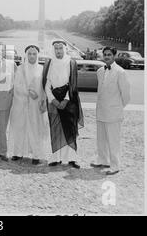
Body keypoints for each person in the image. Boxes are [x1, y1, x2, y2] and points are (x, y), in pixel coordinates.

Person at [42, 40, 83, 169]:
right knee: (56, 129)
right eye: (56, 49)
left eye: (60, 48)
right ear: (53, 50)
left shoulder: (71, 63)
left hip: (69, 100)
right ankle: (56, 158)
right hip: (53, 99)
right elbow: (47, 84)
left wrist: (65, 100)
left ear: (64, 49)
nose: (58, 51)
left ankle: (72, 158)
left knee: (70, 128)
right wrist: (53, 100)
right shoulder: (49, 63)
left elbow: (73, 83)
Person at [91, 47, 130, 175]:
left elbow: (126, 95)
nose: (107, 56)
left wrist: (117, 107)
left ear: (114, 56)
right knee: (101, 139)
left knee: (113, 140)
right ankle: (102, 160)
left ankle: (115, 166)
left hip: (113, 112)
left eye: (109, 54)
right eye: (105, 54)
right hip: (101, 111)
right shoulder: (100, 71)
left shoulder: (120, 72)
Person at [9, 45, 49, 164]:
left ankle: (36, 155)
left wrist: (44, 101)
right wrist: (27, 92)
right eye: (30, 54)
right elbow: (17, 85)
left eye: (34, 54)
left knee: (35, 128)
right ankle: (18, 153)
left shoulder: (42, 69)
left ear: (37, 55)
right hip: (21, 104)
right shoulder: (20, 69)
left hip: (36, 105)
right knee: (20, 128)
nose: (32, 56)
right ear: (26, 55)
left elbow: (45, 88)